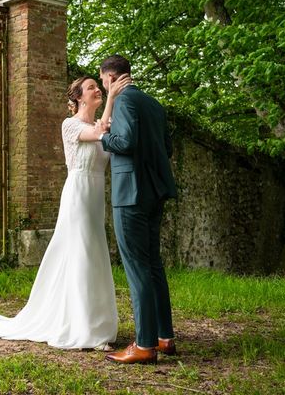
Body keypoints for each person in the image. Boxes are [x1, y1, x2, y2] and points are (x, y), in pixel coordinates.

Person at [0, 74, 131, 349]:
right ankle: (83, 328)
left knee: (94, 253)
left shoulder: (100, 123)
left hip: (96, 197)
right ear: (78, 98)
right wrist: (112, 97)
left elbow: (104, 131)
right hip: (78, 194)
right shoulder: (70, 125)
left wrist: (113, 103)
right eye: (91, 88)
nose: (97, 90)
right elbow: (98, 134)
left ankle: (96, 323)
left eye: (98, 87)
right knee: (83, 252)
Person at [94, 54, 177, 365]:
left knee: (137, 266)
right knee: (153, 265)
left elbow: (125, 143)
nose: (104, 86)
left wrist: (104, 135)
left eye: (103, 81)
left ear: (112, 77)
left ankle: (144, 345)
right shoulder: (154, 105)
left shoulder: (126, 102)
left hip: (130, 194)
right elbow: (166, 149)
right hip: (154, 193)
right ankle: (164, 337)